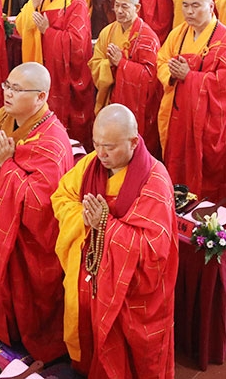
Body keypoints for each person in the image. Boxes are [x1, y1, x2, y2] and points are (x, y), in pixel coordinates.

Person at [52, 104, 176, 377]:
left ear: (134, 142)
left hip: (130, 290)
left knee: (128, 353)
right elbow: (61, 197)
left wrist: (106, 226)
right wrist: (84, 218)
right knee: (91, 334)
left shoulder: (155, 181)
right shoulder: (89, 165)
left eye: (109, 146)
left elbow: (156, 247)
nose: (102, 154)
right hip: (93, 274)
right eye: (96, 144)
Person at [0, 62, 73, 362]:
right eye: (6, 86)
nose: (7, 94)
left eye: (16, 89)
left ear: (41, 97)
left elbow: (41, 204)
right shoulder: (1, 118)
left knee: (28, 301)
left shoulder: (53, 142)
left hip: (32, 244)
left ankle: (28, 344)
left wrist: (7, 166)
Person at [157, 0, 226, 207]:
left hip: (207, 121)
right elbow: (162, 59)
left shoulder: (225, 41)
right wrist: (172, 75)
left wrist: (190, 77)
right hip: (180, 116)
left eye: (196, 6)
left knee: (206, 173)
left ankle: (205, 215)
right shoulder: (180, 33)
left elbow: (225, 86)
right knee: (177, 164)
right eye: (185, 5)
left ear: (211, 6)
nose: (189, 12)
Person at [16, 0, 94, 148]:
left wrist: (48, 32)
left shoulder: (76, 4)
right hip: (41, 66)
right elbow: (20, 25)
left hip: (64, 75)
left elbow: (77, 44)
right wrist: (31, 5)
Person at [89, 0, 161, 154]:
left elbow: (151, 78)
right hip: (111, 98)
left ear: (137, 8)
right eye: (117, 5)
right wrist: (110, 66)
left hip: (137, 108)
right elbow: (95, 63)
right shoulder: (108, 32)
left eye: (125, 6)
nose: (119, 11)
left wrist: (121, 64)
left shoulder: (147, 38)